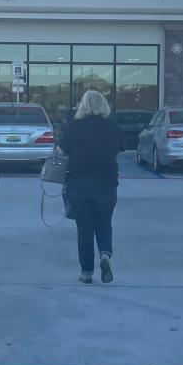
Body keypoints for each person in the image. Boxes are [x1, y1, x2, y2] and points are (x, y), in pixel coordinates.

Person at [60, 89, 125, 284]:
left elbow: (61, 151)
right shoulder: (113, 127)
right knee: (104, 223)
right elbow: (121, 150)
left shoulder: (74, 127)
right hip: (106, 182)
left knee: (85, 228)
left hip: (78, 183)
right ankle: (105, 255)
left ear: (83, 105)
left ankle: (86, 272)